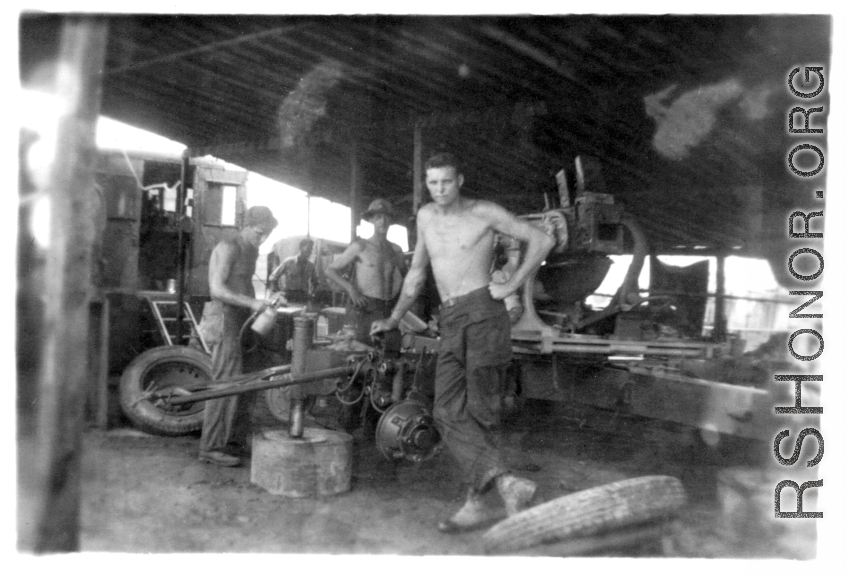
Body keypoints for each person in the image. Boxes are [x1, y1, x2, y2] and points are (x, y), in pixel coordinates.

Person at [371, 153, 555, 532]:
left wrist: (511, 284)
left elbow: (541, 239)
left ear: (460, 181)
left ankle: (477, 503)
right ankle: (505, 484)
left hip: (484, 314)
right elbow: (417, 273)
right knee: (445, 411)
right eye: (432, 183)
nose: (439, 190)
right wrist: (392, 317)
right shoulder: (425, 217)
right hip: (451, 318)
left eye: (446, 182)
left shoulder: (484, 212)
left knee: (482, 411)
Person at [198, 206, 278, 467]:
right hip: (222, 317)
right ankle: (210, 447)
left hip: (240, 317)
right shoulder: (229, 246)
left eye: (267, 234)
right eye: (259, 233)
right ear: (246, 225)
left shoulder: (251, 249)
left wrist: (264, 303)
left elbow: (242, 286)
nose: (263, 239)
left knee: (245, 381)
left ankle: (232, 441)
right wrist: (252, 304)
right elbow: (217, 288)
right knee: (225, 382)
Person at [325, 198, 408, 343]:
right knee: (360, 351)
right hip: (363, 308)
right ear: (371, 220)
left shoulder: (396, 250)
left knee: (386, 351)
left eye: (386, 217)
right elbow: (330, 270)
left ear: (391, 220)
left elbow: (407, 279)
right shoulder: (360, 246)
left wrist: (398, 304)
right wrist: (351, 289)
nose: (382, 221)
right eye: (378, 217)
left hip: (386, 309)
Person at [268, 237, 319, 305]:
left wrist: (312, 294)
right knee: (289, 313)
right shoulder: (289, 262)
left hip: (304, 296)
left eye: (311, 249)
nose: (309, 251)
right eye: (308, 248)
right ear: (300, 248)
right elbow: (273, 277)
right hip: (289, 295)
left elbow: (316, 282)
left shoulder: (311, 265)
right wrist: (278, 292)